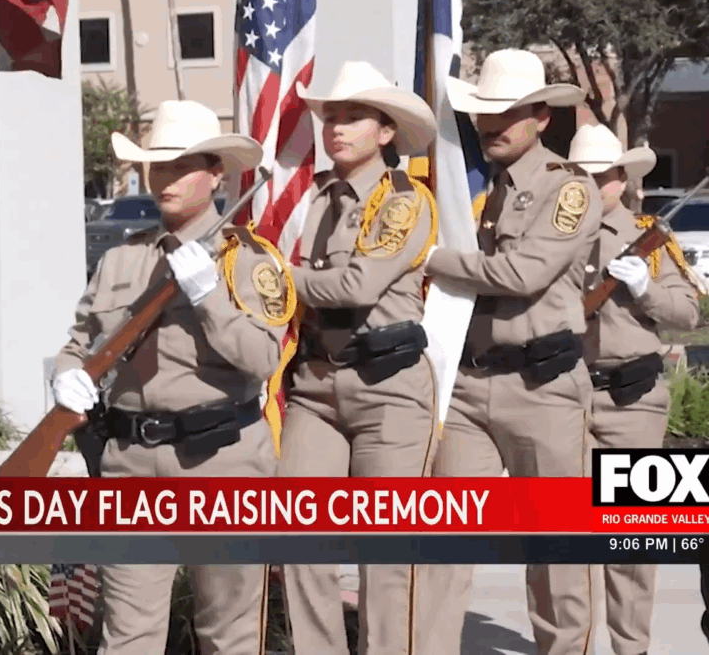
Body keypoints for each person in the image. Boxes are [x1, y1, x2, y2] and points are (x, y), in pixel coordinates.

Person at [50, 99, 294, 655]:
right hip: (132, 462)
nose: (165, 179)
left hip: (222, 461)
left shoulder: (248, 260)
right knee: (128, 635)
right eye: (157, 166)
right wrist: (67, 378)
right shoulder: (122, 261)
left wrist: (210, 297)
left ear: (215, 175)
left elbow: (262, 358)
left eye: (181, 166)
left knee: (228, 633)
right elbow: (79, 344)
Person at [414, 48, 603, 655]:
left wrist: (433, 259)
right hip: (467, 388)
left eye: (510, 113)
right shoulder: (465, 184)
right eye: (484, 113)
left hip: (542, 389)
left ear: (542, 116)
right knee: (442, 544)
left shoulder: (567, 188)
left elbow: (523, 273)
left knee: (554, 551)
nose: (493, 124)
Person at [277, 61, 440, 655]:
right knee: (297, 539)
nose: (337, 127)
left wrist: (274, 276)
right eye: (331, 117)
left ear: (387, 131)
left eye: (353, 116)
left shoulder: (404, 200)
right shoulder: (312, 197)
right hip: (317, 385)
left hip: (388, 387)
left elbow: (354, 287)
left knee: (386, 554)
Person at [570, 123, 702, 655]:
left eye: (602, 176)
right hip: (567, 399)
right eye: (583, 176)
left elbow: (689, 312)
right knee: (566, 543)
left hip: (633, 402)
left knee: (629, 544)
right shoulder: (555, 233)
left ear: (621, 178)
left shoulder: (651, 238)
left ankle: (632, 649)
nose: (594, 185)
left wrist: (646, 289)